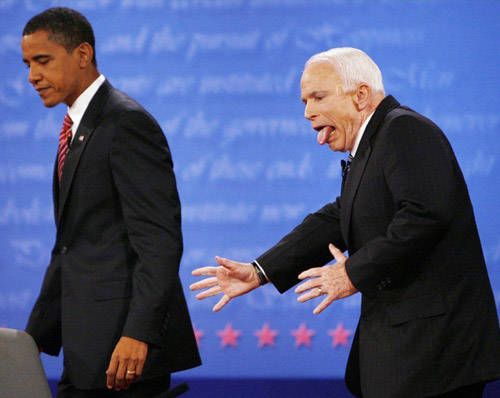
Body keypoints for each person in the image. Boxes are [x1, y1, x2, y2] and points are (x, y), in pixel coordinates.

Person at [190, 47, 500, 397]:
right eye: (304, 101)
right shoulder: (374, 142)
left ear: (361, 95)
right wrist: (261, 270)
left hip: (433, 353)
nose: (308, 112)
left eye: (318, 97)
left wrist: (352, 272)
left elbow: (424, 216)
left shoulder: (405, 131)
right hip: (408, 353)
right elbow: (340, 216)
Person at [21, 7, 200, 397]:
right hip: (87, 349)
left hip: (123, 353)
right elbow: (70, 247)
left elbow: (159, 243)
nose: (32, 76)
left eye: (43, 61)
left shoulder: (125, 123)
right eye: (28, 64)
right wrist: (29, 343)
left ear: (82, 55)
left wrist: (139, 333)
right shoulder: (77, 129)